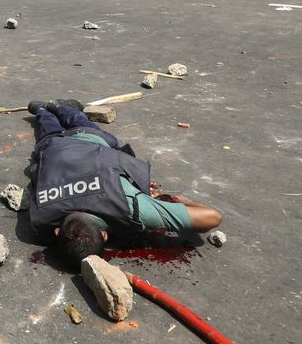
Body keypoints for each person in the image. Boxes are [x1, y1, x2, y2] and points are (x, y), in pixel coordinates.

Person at [24, 100, 223, 270]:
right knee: (61, 126)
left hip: (85, 142)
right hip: (55, 147)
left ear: (104, 234)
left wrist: (182, 202)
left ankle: (56, 108)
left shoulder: (130, 206)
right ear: (57, 232)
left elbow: (212, 218)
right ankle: (48, 110)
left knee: (80, 123)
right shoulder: (41, 216)